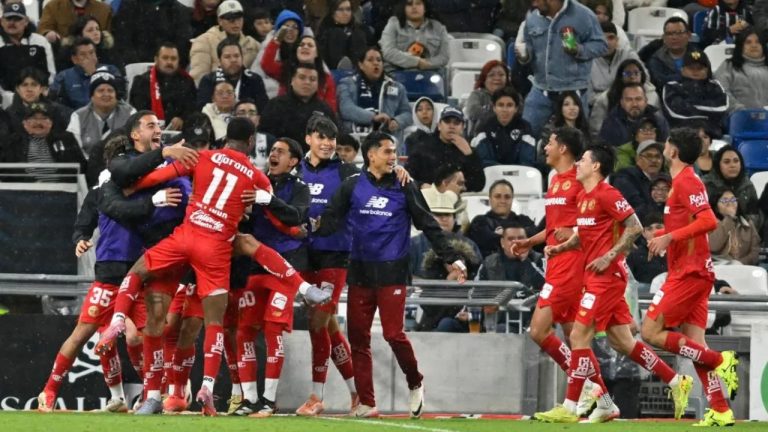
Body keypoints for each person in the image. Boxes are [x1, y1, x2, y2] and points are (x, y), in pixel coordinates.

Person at [95, 117, 329, 416]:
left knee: (145, 289)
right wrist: (286, 222)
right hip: (215, 248)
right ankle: (205, 384)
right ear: (251, 141)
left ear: (222, 137)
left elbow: (154, 177)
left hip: (181, 239)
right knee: (214, 319)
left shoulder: (200, 157)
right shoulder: (257, 175)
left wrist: (128, 190)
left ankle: (128, 341)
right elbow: (275, 216)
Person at [312, 131, 468, 418]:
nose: (393, 156)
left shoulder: (405, 185)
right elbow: (329, 221)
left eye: (394, 151)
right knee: (358, 339)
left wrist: (452, 257)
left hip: (393, 273)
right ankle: (368, 403)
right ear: (371, 154)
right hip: (359, 272)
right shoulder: (351, 185)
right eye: (387, 151)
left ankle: (415, 381)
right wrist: (299, 229)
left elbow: (428, 224)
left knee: (394, 334)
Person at [533, 142, 692, 423]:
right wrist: (561, 248)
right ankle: (673, 381)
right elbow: (584, 233)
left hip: (606, 277)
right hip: (594, 275)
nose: (578, 164)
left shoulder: (608, 194)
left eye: (582, 160)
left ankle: (570, 407)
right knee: (623, 343)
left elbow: (635, 226)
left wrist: (609, 256)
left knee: (578, 336)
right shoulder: (584, 197)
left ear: (595, 166)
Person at [37, 135, 168, 413]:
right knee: (88, 334)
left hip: (139, 272)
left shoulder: (147, 185)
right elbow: (86, 218)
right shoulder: (104, 189)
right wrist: (80, 237)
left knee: (137, 337)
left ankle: (151, 394)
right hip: (109, 272)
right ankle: (51, 391)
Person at [642, 127, 740, 427]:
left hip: (690, 272)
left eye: (667, 144)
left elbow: (709, 220)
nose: (663, 148)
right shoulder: (679, 182)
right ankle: (721, 410)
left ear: (673, 151)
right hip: (691, 271)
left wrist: (669, 237)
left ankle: (721, 361)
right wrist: (661, 234)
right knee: (695, 343)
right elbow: (687, 225)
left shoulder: (687, 181)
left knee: (649, 332)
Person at [509, 127, 587, 411]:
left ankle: (585, 391)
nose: (545, 147)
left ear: (563, 148)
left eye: (550, 143)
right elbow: (555, 228)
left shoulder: (581, 180)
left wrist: (576, 230)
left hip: (570, 265)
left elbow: (594, 221)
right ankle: (599, 396)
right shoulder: (554, 181)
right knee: (574, 337)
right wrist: (531, 240)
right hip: (554, 262)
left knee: (538, 330)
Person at [231, 137, 309, 417]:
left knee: (273, 330)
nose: (273, 154)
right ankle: (249, 399)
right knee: (245, 332)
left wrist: (269, 200)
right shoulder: (256, 181)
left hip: (283, 270)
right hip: (253, 269)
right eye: (272, 150)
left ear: (293, 161)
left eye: (280, 151)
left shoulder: (300, 188)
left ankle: (268, 400)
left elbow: (297, 216)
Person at [293, 114, 359, 417]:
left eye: (331, 138)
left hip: (335, 255)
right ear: (308, 138)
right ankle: (357, 393)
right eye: (321, 137)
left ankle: (316, 396)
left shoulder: (347, 172)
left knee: (318, 323)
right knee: (329, 326)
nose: (327, 143)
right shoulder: (296, 170)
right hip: (304, 255)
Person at [517, 0, 607, 138]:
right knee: (525, 136)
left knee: (577, 140)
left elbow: (601, 45)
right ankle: (526, 159)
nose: (534, 4)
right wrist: (524, 56)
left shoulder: (584, 15)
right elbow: (529, 47)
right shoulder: (532, 18)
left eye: (537, 0)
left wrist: (579, 49)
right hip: (541, 90)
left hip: (574, 91)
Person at [410, 187, 482, 332]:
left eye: (447, 214)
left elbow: (478, 276)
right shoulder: (413, 244)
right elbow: (405, 275)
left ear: (454, 218)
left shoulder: (470, 245)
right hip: (422, 303)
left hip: (461, 305)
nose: (443, 218)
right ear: (429, 217)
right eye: (438, 214)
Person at [338, 45, 411, 145]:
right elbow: (346, 108)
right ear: (361, 65)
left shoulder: (397, 87)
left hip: (387, 140)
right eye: (370, 60)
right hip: (354, 141)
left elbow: (407, 113)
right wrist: (373, 117)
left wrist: (397, 121)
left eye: (379, 60)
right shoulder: (347, 84)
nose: (376, 63)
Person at [405, 106, 485, 192]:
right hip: (429, 198)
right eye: (447, 122)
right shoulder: (423, 148)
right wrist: (421, 185)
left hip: (461, 199)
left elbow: (479, 185)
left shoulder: (469, 151)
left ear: (462, 127)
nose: (451, 126)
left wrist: (470, 155)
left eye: (456, 123)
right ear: (439, 125)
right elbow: (407, 177)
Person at [1, 102, 86, 181]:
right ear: (24, 123)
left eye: (44, 118)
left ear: (51, 123)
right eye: (33, 118)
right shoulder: (12, 142)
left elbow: (81, 168)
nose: (38, 122)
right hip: (24, 193)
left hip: (63, 192)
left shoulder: (66, 139)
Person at [260, 63, 337, 149]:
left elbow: (334, 137)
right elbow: (264, 137)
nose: (307, 82)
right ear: (292, 80)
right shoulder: (275, 106)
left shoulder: (325, 109)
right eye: (302, 77)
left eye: (312, 79)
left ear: (317, 84)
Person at [66, 67, 135, 156]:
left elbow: (136, 145)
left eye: (110, 90)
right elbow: (76, 152)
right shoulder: (78, 116)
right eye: (100, 90)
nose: (106, 94)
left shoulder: (130, 113)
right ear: (92, 95)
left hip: (123, 165)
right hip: (88, 166)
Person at [189, 0, 261, 84]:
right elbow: (198, 77)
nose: (236, 23)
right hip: (214, 92)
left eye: (239, 18)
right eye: (230, 19)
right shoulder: (204, 42)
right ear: (220, 21)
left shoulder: (253, 45)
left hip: (244, 93)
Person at [129, 43, 197, 131]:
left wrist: (182, 118)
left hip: (181, 131)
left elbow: (192, 107)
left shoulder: (187, 81)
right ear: (156, 60)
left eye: (173, 59)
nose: (169, 62)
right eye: (165, 58)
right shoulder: (142, 81)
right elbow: (138, 110)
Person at [662, 50, 730, 135]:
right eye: (691, 68)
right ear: (682, 69)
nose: (695, 71)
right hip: (681, 134)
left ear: (706, 70)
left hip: (712, 134)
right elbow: (675, 111)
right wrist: (706, 113)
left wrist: (689, 103)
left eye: (699, 68)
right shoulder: (672, 86)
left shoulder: (715, 85)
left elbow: (722, 108)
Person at [589, 59, 659, 138]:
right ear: (620, 76)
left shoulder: (652, 95)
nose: (632, 77)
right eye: (627, 73)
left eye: (636, 73)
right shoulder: (605, 99)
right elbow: (596, 130)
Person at [467, 179, 537, 258]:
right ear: (490, 199)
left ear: (512, 199)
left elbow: (535, 238)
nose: (503, 201)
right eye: (498, 196)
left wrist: (501, 234)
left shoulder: (524, 220)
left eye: (507, 197)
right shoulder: (480, 222)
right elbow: (486, 241)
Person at [111, 0, 192, 68]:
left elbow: (182, 45)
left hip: (169, 70)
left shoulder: (178, 11)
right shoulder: (129, 6)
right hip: (136, 68)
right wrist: (138, 65)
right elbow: (123, 42)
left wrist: (167, 63)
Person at [196, 39, 269, 112]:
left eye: (236, 56)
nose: (233, 60)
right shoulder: (209, 80)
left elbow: (263, 109)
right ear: (219, 61)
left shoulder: (254, 79)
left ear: (242, 57)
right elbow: (202, 111)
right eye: (227, 57)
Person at [51, 37, 122, 110]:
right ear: (74, 59)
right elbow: (55, 104)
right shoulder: (64, 76)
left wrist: (94, 74)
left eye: (91, 53)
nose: (89, 57)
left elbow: (120, 97)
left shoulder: (111, 70)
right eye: (83, 54)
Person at [473, 86, 536, 168]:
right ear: (494, 108)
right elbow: (482, 160)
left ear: (516, 108)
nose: (505, 110)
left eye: (509, 105)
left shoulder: (525, 127)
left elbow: (527, 162)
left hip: (518, 175)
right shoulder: (484, 126)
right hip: (491, 174)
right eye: (500, 105)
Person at [379, 0, 450, 72]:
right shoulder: (393, 24)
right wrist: (417, 62)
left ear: (425, 8)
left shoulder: (438, 27)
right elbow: (388, 52)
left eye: (418, 3)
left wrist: (427, 64)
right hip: (397, 73)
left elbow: (444, 57)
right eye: (409, 4)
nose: (414, 7)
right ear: (403, 8)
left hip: (431, 73)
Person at [0, 2, 56, 91]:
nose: (12, 22)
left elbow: (50, 74)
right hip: (6, 99)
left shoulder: (40, 42)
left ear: (26, 21)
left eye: (17, 19)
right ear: (1, 21)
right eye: (8, 18)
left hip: (38, 95)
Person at [703, 145, 762, 229]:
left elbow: (754, 215)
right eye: (727, 162)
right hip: (714, 233)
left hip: (743, 232)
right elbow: (701, 216)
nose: (732, 165)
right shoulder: (707, 185)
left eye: (736, 161)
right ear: (718, 165)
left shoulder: (747, 185)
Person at [611, 140, 665, 222]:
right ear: (637, 159)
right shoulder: (625, 178)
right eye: (649, 156)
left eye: (658, 156)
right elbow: (637, 207)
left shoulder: (665, 179)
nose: (654, 160)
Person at [600, 84, 669, 147]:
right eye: (629, 100)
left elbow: (666, 148)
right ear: (622, 103)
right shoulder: (611, 123)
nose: (634, 104)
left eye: (638, 99)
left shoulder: (658, 120)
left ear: (646, 101)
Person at [6, 67, 72, 133]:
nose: (29, 89)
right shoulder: (8, 114)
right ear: (18, 89)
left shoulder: (58, 111)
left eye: (34, 85)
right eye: (24, 85)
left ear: (42, 89)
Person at [715, 29, 768, 110]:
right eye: (748, 42)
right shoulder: (728, 66)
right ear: (741, 46)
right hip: (739, 117)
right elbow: (721, 91)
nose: (754, 45)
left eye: (758, 42)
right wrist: (740, 109)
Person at [589, 22, 640, 105]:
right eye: (602, 38)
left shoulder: (628, 55)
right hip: (600, 107)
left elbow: (644, 81)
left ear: (617, 40)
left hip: (629, 104)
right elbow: (589, 98)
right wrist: (613, 96)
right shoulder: (587, 61)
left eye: (611, 38)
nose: (607, 42)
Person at [709, 188, 761, 265]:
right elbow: (713, 246)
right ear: (716, 207)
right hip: (719, 269)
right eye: (724, 201)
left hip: (744, 268)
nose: (730, 203)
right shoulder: (709, 224)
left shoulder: (747, 224)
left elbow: (755, 252)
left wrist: (740, 263)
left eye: (733, 200)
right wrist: (729, 218)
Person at [645, 17, 697, 94]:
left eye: (679, 33)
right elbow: (659, 83)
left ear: (688, 35)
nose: (674, 37)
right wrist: (684, 75)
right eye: (669, 34)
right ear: (664, 38)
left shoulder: (698, 55)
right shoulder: (656, 60)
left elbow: (705, 76)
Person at [316, 0, 368, 69]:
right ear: (332, 12)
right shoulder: (324, 31)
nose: (345, 13)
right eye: (340, 9)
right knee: (337, 33)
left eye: (348, 9)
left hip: (358, 71)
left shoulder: (359, 31)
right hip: (330, 71)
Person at [464, 60, 511, 136]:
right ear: (484, 79)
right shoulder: (477, 95)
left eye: (501, 75)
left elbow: (518, 113)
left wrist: (487, 109)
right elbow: (473, 112)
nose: (497, 78)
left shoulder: (515, 96)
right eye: (491, 75)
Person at [538, 91, 591, 157]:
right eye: (566, 104)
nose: (572, 108)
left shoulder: (585, 129)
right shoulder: (551, 131)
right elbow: (544, 157)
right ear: (560, 108)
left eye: (575, 104)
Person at [38, 0, 112, 45]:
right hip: (64, 58)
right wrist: (48, 33)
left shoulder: (104, 9)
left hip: (99, 58)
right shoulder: (53, 7)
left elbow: (110, 36)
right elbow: (43, 29)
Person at [626, 212, 667, 286]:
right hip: (644, 296)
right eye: (649, 229)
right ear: (643, 233)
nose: (654, 232)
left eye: (659, 227)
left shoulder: (677, 253)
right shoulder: (634, 256)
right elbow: (629, 284)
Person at [233, 98, 276, 171]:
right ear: (234, 118)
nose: (247, 117)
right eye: (242, 113)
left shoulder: (270, 140)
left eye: (252, 113)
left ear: (258, 119)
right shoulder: (226, 141)